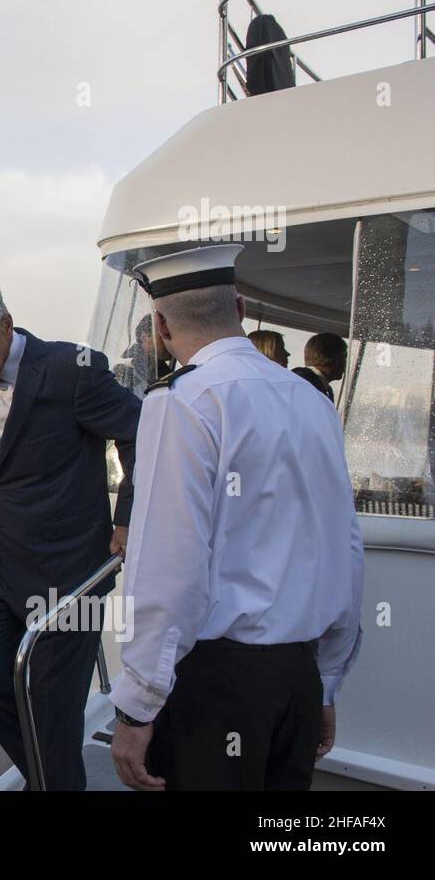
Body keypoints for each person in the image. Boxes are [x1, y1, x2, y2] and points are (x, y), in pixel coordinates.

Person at [110, 244, 364, 791]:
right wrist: (324, 683)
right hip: (297, 673)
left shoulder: (182, 401)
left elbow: (169, 568)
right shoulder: (312, 401)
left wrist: (136, 709)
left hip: (218, 684)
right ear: (241, 307)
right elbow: (346, 548)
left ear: (159, 325)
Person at [0, 275, 141, 790]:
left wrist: (128, 519)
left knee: (51, 711)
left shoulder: (75, 369)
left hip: (66, 571)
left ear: (6, 325)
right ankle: (53, 780)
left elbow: (142, 434)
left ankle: (53, 778)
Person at [115, 314, 174, 396]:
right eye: (163, 333)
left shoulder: (159, 374)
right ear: (144, 338)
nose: (169, 338)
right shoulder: (125, 373)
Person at [292, 332, 347, 402]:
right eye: (344, 357)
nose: (345, 364)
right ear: (332, 358)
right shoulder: (303, 384)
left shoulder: (324, 388)